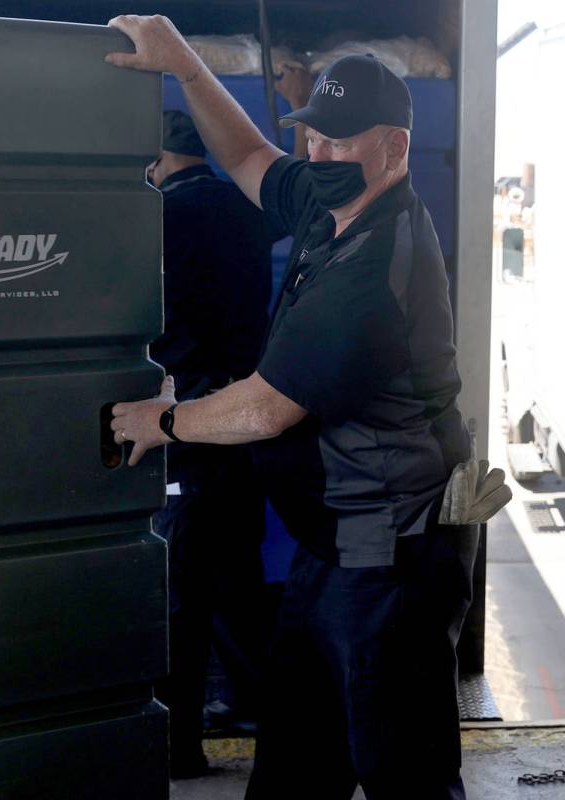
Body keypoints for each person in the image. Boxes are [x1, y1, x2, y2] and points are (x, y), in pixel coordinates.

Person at [106, 15, 479, 799]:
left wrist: (161, 421)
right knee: (297, 763)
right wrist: (185, 68)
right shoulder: (331, 200)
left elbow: (267, 410)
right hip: (334, 546)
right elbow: (247, 155)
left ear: (394, 148)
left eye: (339, 142)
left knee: (401, 767)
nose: (318, 154)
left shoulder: (379, 267)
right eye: (314, 136)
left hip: (392, 555)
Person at [147, 110, 281, 779]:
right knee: (235, 577)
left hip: (187, 419)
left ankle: (176, 747)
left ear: (159, 157)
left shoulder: (161, 217)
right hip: (244, 415)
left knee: (181, 594)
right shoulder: (246, 209)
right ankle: (257, 705)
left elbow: (152, 321)